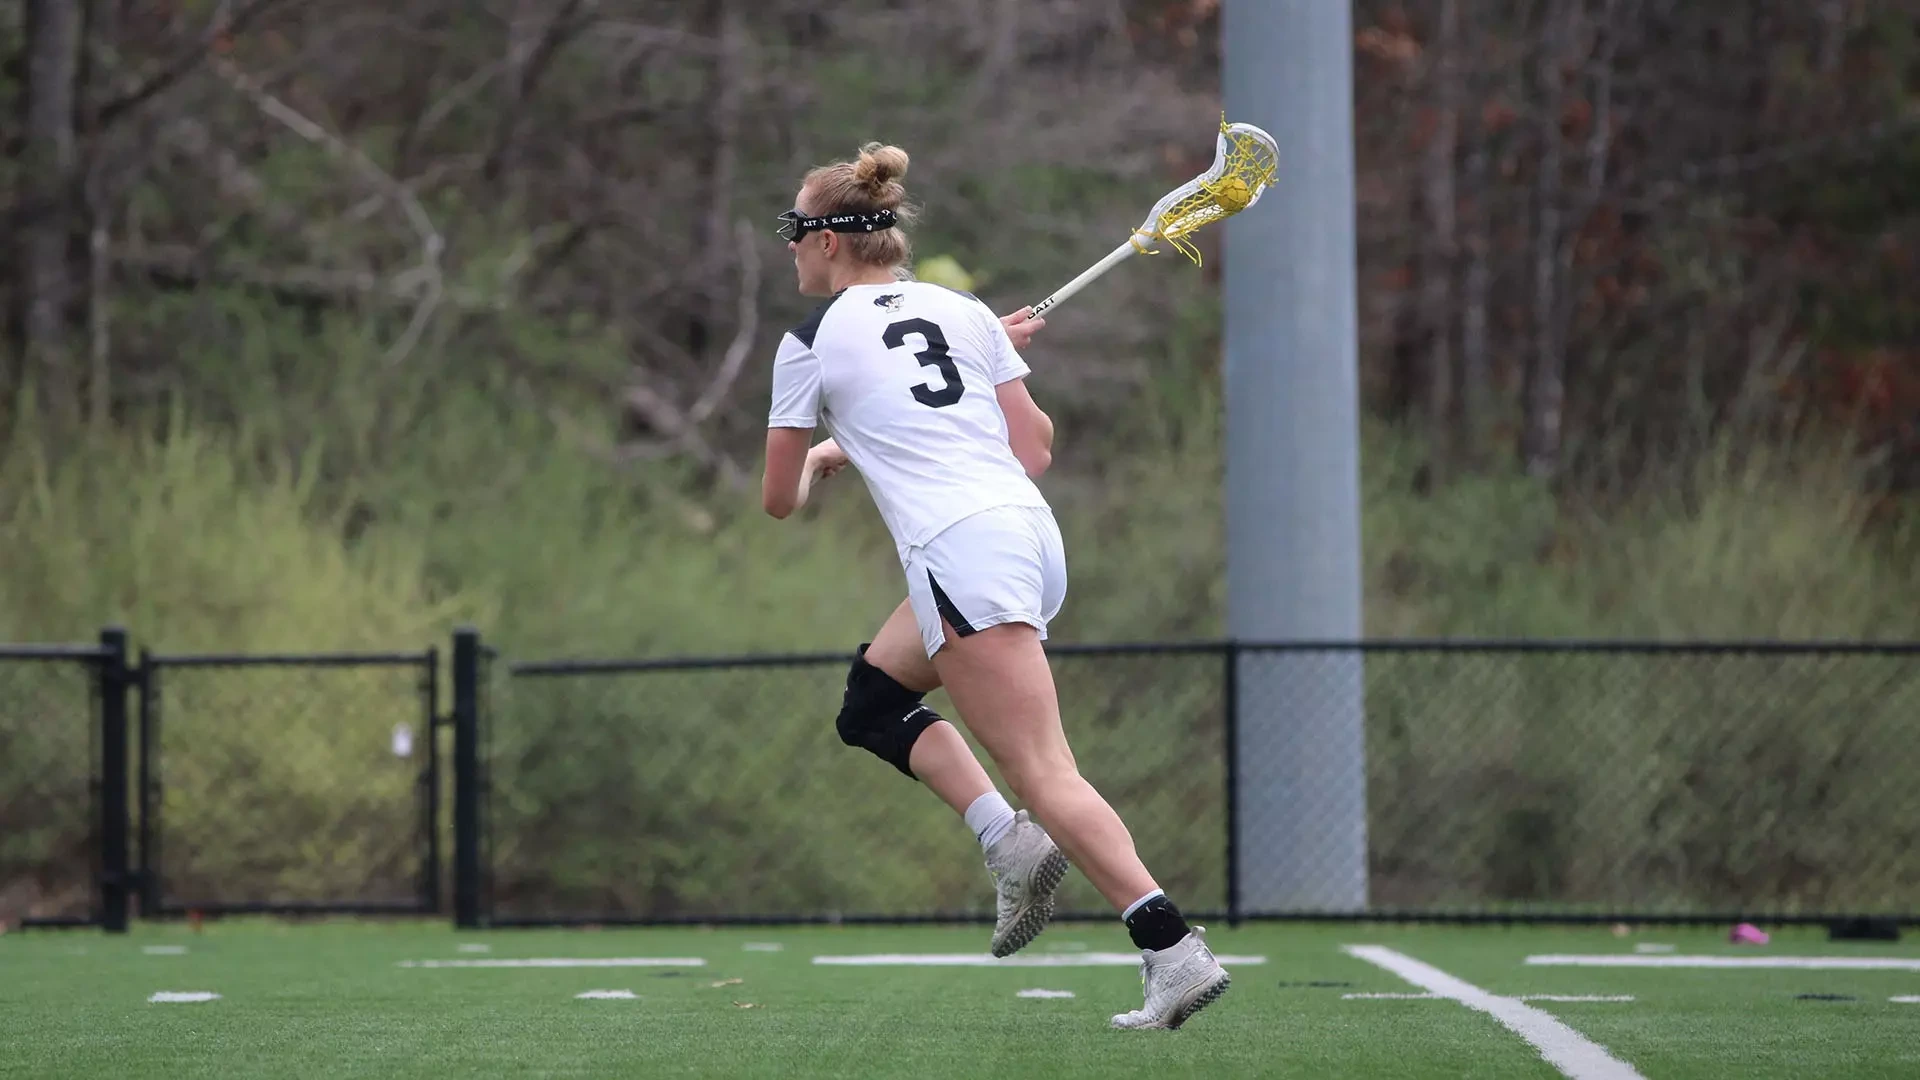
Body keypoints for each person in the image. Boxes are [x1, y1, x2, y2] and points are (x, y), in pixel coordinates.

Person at [761, 142, 1230, 1030]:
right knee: (871, 702)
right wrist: (963, 369)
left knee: (1046, 770)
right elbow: (1034, 449)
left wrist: (821, 451)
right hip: (1025, 536)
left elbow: (777, 503)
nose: (788, 247)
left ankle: (1172, 950)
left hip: (958, 552)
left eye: (794, 230)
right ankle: (1006, 842)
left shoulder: (810, 340)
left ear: (829, 241)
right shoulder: (964, 313)